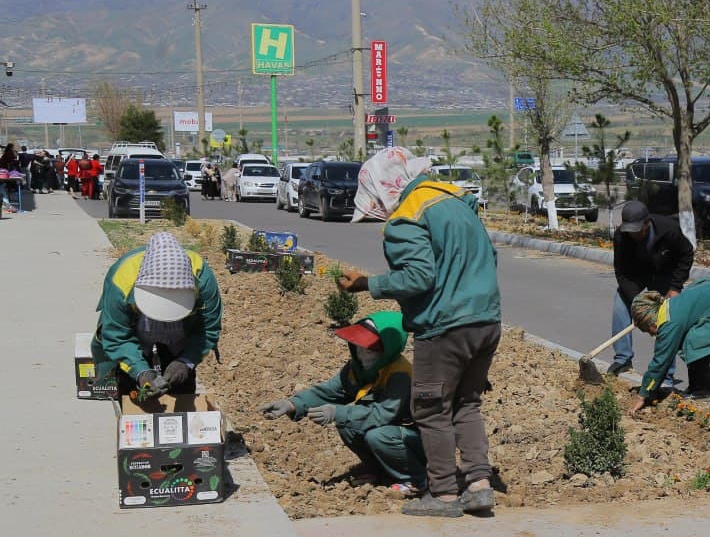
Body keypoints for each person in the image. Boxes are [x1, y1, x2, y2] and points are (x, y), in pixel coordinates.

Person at [338, 174, 502, 518]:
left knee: (431, 408)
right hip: (486, 321)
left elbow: (419, 276)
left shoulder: (408, 216)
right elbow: (490, 258)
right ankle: (479, 485)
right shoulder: (457, 203)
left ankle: (443, 494)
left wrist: (368, 284)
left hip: (444, 326)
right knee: (467, 403)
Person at [260, 311, 426, 496]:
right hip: (390, 430)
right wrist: (292, 404)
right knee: (348, 425)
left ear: (387, 351)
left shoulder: (400, 375)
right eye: (359, 347)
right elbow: (331, 391)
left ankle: (415, 479)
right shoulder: (359, 368)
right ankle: (380, 471)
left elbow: (382, 414)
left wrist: (337, 412)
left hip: (416, 439)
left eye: (369, 349)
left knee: (377, 435)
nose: (362, 354)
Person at [92, 231, 222, 399]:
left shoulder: (203, 279)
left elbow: (208, 329)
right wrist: (140, 371)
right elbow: (117, 335)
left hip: (181, 332)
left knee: (181, 387)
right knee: (133, 390)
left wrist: (186, 361)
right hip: (137, 328)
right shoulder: (121, 280)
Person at [627, 277, 710, 419]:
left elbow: (661, 361)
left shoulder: (669, 321)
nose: (651, 334)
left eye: (647, 330)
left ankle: (700, 390)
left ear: (650, 320)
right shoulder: (673, 304)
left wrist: (643, 395)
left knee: (690, 342)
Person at [609, 200, 694, 376]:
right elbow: (622, 272)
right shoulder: (621, 236)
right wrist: (638, 302)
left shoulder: (669, 229)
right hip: (636, 276)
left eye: (637, 230)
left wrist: (675, 287)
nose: (633, 235)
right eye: (630, 231)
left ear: (647, 223)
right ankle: (623, 359)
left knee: (667, 319)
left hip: (665, 276)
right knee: (620, 305)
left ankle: (666, 373)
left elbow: (686, 254)